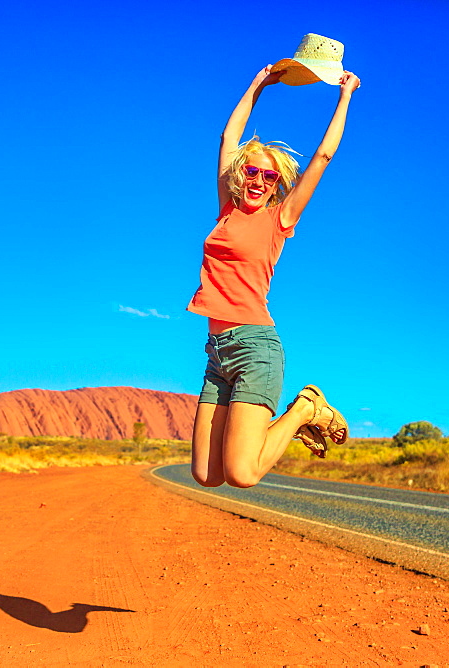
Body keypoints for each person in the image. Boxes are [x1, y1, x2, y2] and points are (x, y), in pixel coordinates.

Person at [187, 63, 361, 489]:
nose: (258, 180)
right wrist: (258, 84)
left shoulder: (279, 219)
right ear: (240, 173)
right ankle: (298, 414)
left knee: (242, 474)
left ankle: (304, 409)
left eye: (269, 176)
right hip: (218, 353)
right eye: (251, 171)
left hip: (255, 348)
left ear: (276, 184)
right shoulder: (227, 211)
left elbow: (322, 157)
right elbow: (229, 139)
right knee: (207, 474)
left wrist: (345, 97)